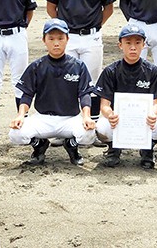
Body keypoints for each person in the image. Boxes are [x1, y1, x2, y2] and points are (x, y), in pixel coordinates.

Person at [42, 0, 115, 137]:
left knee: (90, 83)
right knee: (65, 81)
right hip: (67, 38)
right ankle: (63, 129)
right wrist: (62, 30)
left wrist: (94, 25)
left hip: (91, 37)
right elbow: (51, 7)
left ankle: (89, 127)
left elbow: (108, 8)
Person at [8, 19, 95, 166]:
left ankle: (71, 145)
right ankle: (39, 145)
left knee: (89, 134)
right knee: (15, 134)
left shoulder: (78, 66)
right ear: (44, 40)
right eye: (51, 38)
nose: (56, 43)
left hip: (70, 119)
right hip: (43, 118)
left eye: (60, 38)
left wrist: (86, 117)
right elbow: (27, 94)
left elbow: (84, 94)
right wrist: (21, 115)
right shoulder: (36, 66)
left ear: (67, 39)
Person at [94, 24, 157, 169]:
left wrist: (153, 114)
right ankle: (113, 149)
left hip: (143, 119)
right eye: (128, 43)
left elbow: (156, 103)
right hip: (119, 119)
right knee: (102, 127)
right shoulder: (111, 71)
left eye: (137, 43)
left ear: (143, 45)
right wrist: (110, 115)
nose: (133, 47)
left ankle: (147, 149)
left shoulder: (152, 71)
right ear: (120, 45)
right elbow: (104, 105)